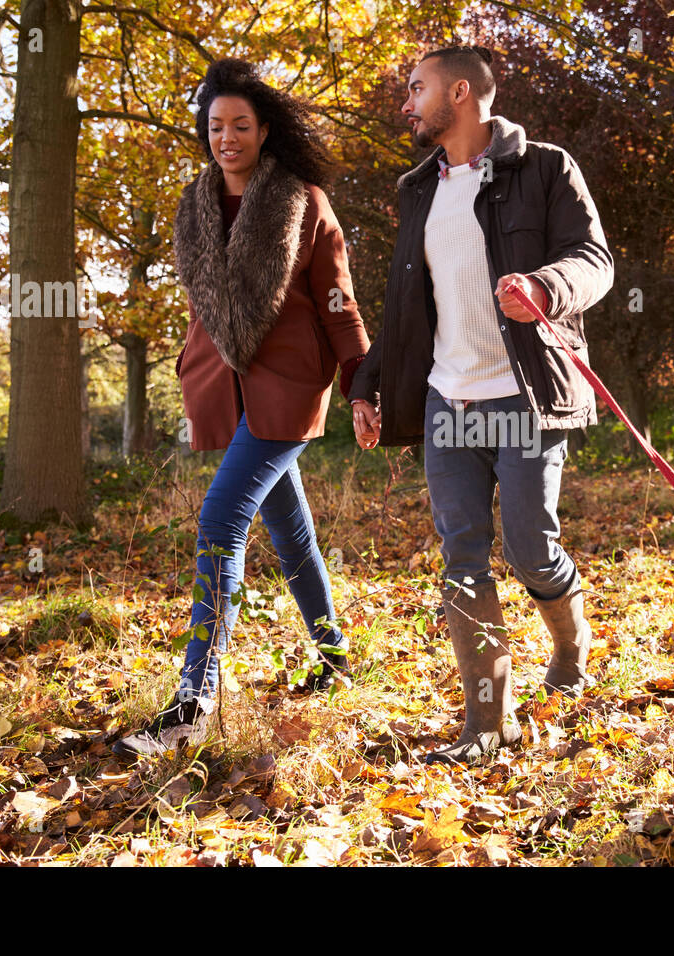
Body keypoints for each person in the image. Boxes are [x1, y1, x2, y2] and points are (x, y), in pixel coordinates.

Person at [349, 46, 614, 764]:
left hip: (525, 398)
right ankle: (488, 725)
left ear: (459, 93)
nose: (407, 102)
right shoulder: (417, 190)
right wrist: (366, 385)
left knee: (532, 552)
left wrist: (547, 288)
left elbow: (595, 261)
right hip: (448, 402)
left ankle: (569, 650)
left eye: (417, 88)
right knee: (462, 558)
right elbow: (405, 304)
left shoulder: (545, 167)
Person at [115, 58, 369, 758]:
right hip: (221, 387)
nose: (227, 137)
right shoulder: (193, 206)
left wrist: (362, 383)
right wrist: (188, 367)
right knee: (290, 532)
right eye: (216, 126)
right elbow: (205, 307)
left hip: (288, 387)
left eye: (241, 126)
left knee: (220, 519)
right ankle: (335, 655)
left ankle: (193, 698)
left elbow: (338, 303)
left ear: (264, 131)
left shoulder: (303, 201)